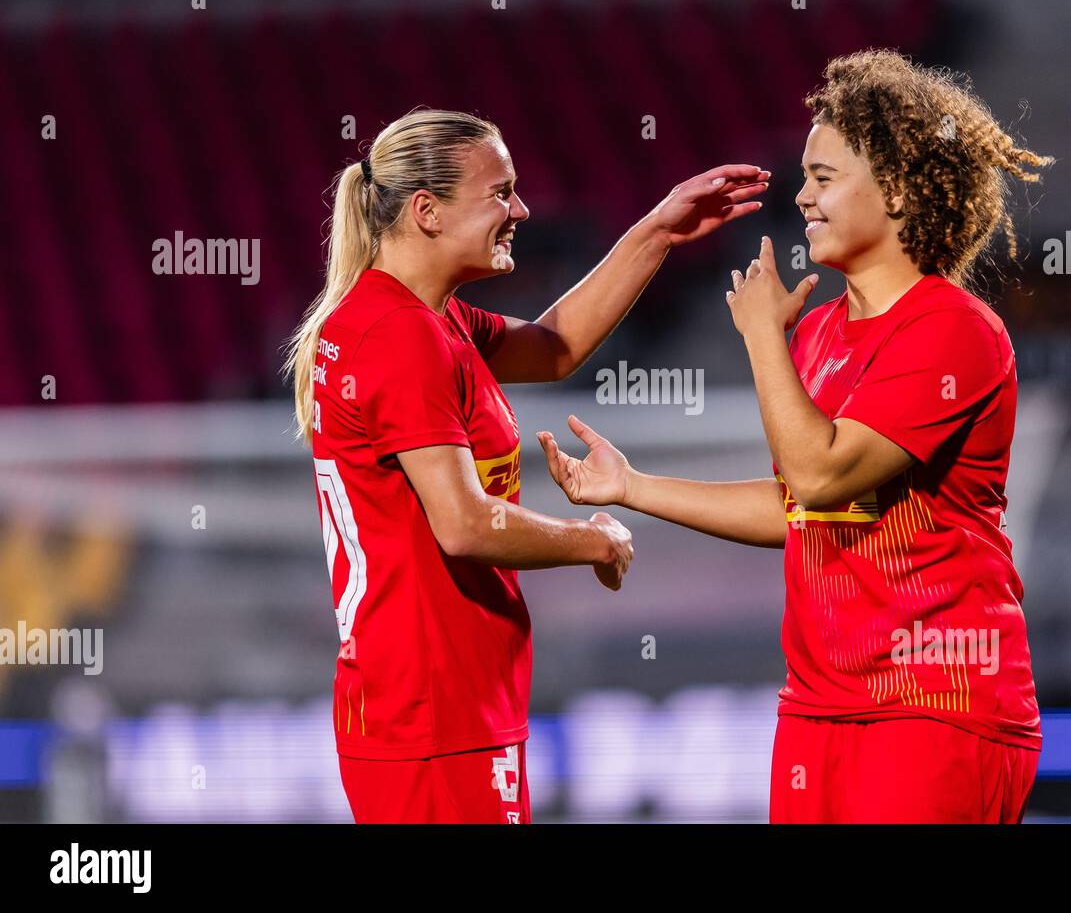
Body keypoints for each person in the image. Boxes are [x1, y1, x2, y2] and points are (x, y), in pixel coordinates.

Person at [539, 50, 1052, 822]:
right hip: (817, 709)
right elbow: (800, 507)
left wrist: (758, 340)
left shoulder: (953, 332)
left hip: (935, 706)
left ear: (902, 189)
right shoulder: (814, 334)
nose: (803, 197)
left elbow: (821, 474)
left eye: (824, 176)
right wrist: (632, 487)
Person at [283, 107, 769, 823]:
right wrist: (595, 538)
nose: (522, 209)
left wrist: (658, 230)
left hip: (432, 710)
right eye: (501, 193)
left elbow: (551, 347)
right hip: (435, 718)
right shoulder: (400, 336)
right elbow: (466, 525)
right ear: (427, 211)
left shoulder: (420, 317)